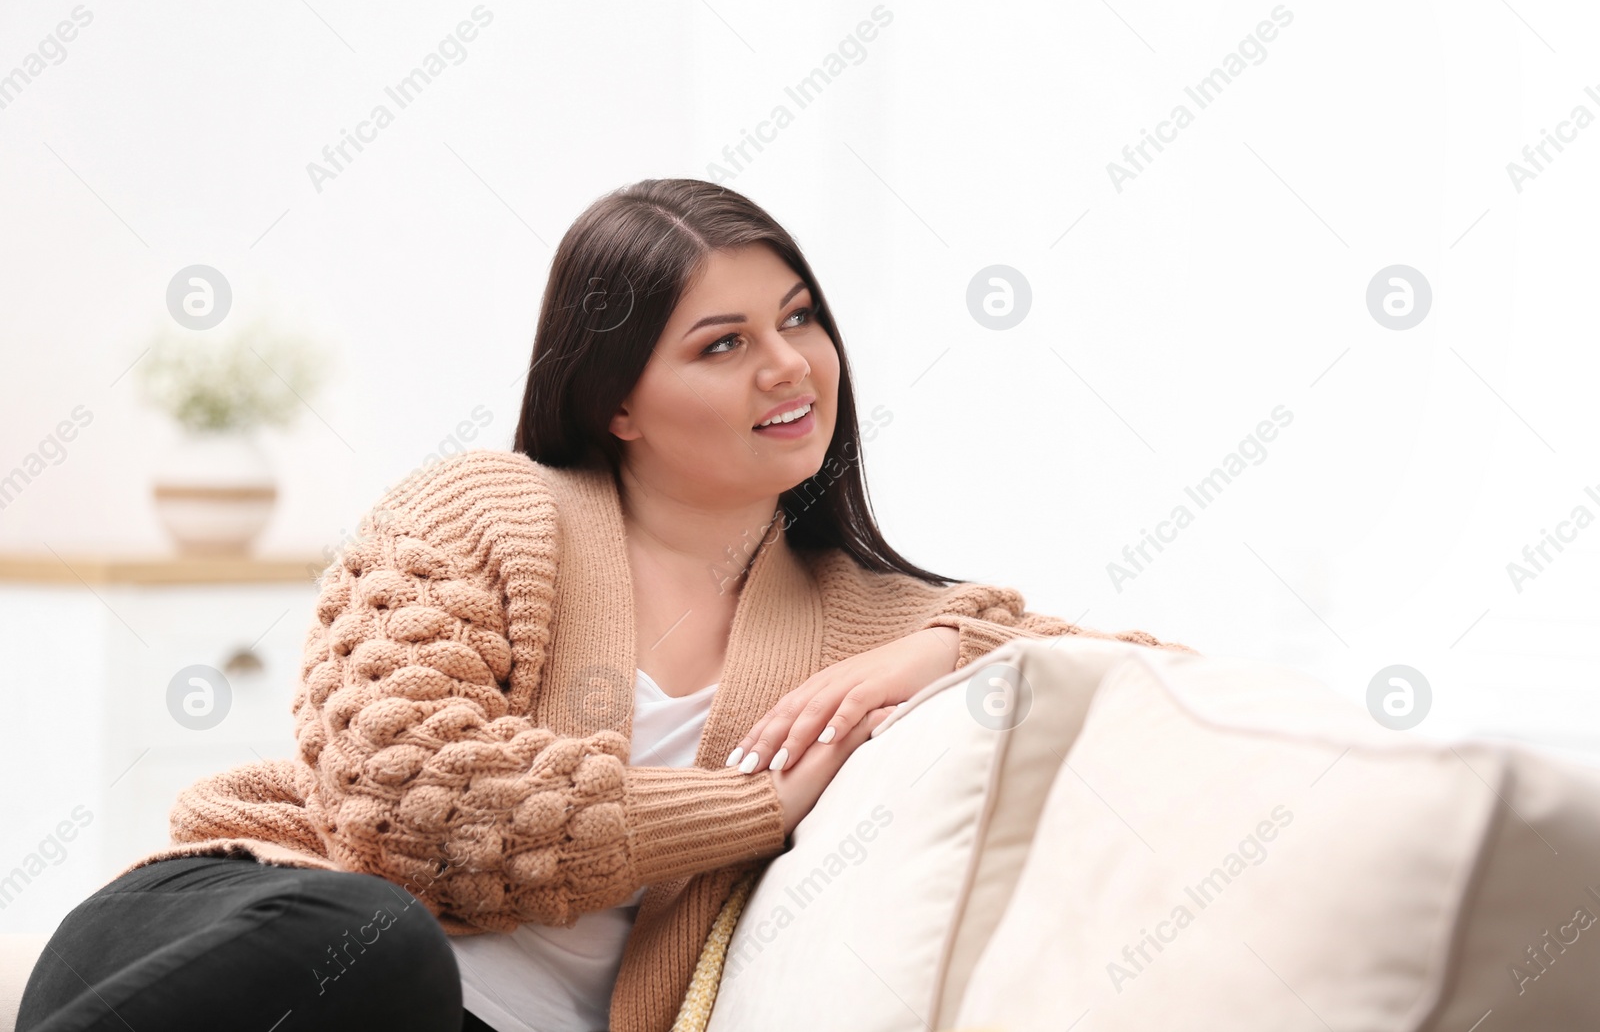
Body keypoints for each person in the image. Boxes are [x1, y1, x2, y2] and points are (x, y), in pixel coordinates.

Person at [18, 178, 1192, 1032]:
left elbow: (1151, 670)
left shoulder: (864, 615)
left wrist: (939, 643)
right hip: (242, 930)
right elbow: (407, 810)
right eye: (722, 342)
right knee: (379, 943)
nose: (788, 365)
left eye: (798, 317)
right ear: (617, 401)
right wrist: (749, 804)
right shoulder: (486, 507)